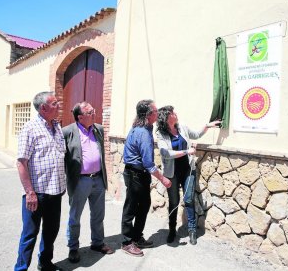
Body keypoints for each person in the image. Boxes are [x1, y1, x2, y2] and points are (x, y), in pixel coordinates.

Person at [15, 91, 66, 271]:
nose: (58, 105)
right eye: (54, 104)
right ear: (43, 108)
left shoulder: (57, 127)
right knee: (30, 234)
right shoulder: (30, 128)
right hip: (37, 193)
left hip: (56, 192)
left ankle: (45, 263)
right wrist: (30, 192)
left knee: (51, 231)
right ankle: (20, 268)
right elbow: (22, 162)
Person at [156, 105, 220, 245]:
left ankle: (192, 230)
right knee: (174, 202)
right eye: (173, 112)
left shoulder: (182, 127)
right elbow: (165, 153)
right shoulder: (161, 134)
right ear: (167, 117)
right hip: (171, 173)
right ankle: (172, 230)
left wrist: (207, 126)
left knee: (189, 199)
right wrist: (187, 152)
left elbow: (196, 135)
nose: (176, 113)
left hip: (188, 170)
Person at [62, 102, 113, 263]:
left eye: (93, 110)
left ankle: (97, 243)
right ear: (80, 117)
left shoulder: (98, 129)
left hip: (98, 178)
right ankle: (73, 247)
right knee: (75, 217)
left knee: (98, 215)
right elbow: (62, 158)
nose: (94, 113)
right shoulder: (68, 132)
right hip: (80, 181)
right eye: (90, 111)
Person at [121, 99, 172, 257]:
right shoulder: (142, 132)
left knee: (143, 206)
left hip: (138, 173)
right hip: (135, 174)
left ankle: (137, 237)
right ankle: (127, 242)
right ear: (149, 115)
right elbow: (148, 163)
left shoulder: (145, 127)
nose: (158, 113)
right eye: (156, 111)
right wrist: (163, 179)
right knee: (131, 208)